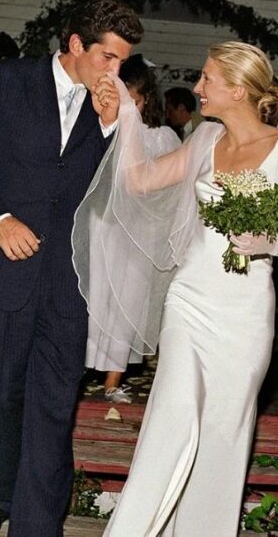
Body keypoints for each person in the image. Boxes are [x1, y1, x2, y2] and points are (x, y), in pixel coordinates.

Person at [73, 41, 278, 535]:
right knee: (174, 412)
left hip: (247, 307)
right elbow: (141, 181)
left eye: (208, 79)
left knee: (224, 433)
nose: (198, 87)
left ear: (237, 89)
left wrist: (273, 239)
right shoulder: (205, 138)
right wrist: (125, 117)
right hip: (189, 296)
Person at [0, 0, 143, 536]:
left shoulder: (110, 109)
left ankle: (36, 526)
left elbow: (114, 196)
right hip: (0, 269)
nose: (116, 72)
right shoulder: (8, 81)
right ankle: (2, 493)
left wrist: (106, 130)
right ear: (76, 45)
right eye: (109, 58)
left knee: (53, 404)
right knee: (3, 392)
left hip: (68, 279)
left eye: (123, 62)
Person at [86, 54, 180, 405]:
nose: (127, 108)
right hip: (102, 224)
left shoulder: (161, 137)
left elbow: (164, 188)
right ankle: (82, 367)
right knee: (95, 295)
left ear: (147, 101)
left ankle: (113, 379)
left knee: (128, 300)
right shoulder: (101, 126)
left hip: (138, 232)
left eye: (134, 102)